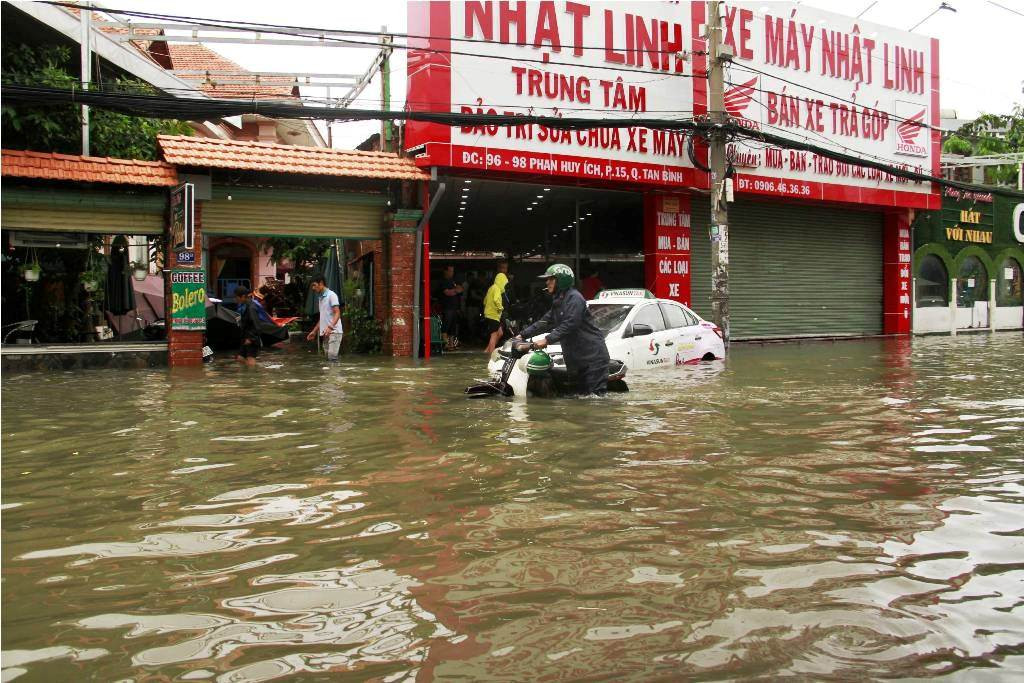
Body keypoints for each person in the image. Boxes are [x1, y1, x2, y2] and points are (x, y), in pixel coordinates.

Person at [516, 264, 610, 396]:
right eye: (547, 279)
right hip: (576, 359)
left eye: (551, 279)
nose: (547, 282)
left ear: (562, 281)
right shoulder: (559, 301)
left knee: (594, 400)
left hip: (592, 358)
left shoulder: (575, 298)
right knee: (579, 399)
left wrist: (546, 340)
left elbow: (571, 324)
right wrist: (521, 335)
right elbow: (544, 321)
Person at [306, 275, 344, 361]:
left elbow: (337, 313)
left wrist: (330, 327)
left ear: (321, 283)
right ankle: (332, 374)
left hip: (334, 332)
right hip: (326, 333)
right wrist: (314, 331)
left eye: (314, 285)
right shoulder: (321, 298)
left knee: (332, 359)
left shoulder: (331, 295)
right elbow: (322, 318)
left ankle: (335, 374)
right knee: (328, 360)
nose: (313, 288)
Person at [233, 285, 262, 366]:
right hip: (246, 337)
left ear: (242, 296)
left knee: (250, 359)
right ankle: (251, 373)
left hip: (251, 338)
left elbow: (256, 324)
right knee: (240, 358)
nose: (236, 299)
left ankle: (254, 374)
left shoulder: (251, 307)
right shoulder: (243, 306)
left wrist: (251, 338)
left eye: (236, 297)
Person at [483, 270, 508, 354]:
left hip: (490, 315)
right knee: (493, 336)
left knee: (500, 333)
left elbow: (485, 301)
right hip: (494, 315)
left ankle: (487, 350)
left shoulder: (491, 288)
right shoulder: (497, 288)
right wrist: (500, 308)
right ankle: (490, 354)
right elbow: (496, 299)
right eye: (504, 283)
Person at [439, 264, 463, 350]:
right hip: (447, 307)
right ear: (445, 271)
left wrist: (454, 291)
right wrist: (456, 290)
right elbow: (447, 292)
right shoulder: (443, 281)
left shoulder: (454, 281)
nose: (451, 273)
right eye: (450, 271)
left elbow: (461, 289)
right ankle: (445, 344)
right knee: (446, 325)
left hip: (455, 308)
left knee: (453, 327)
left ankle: (452, 345)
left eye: (452, 271)